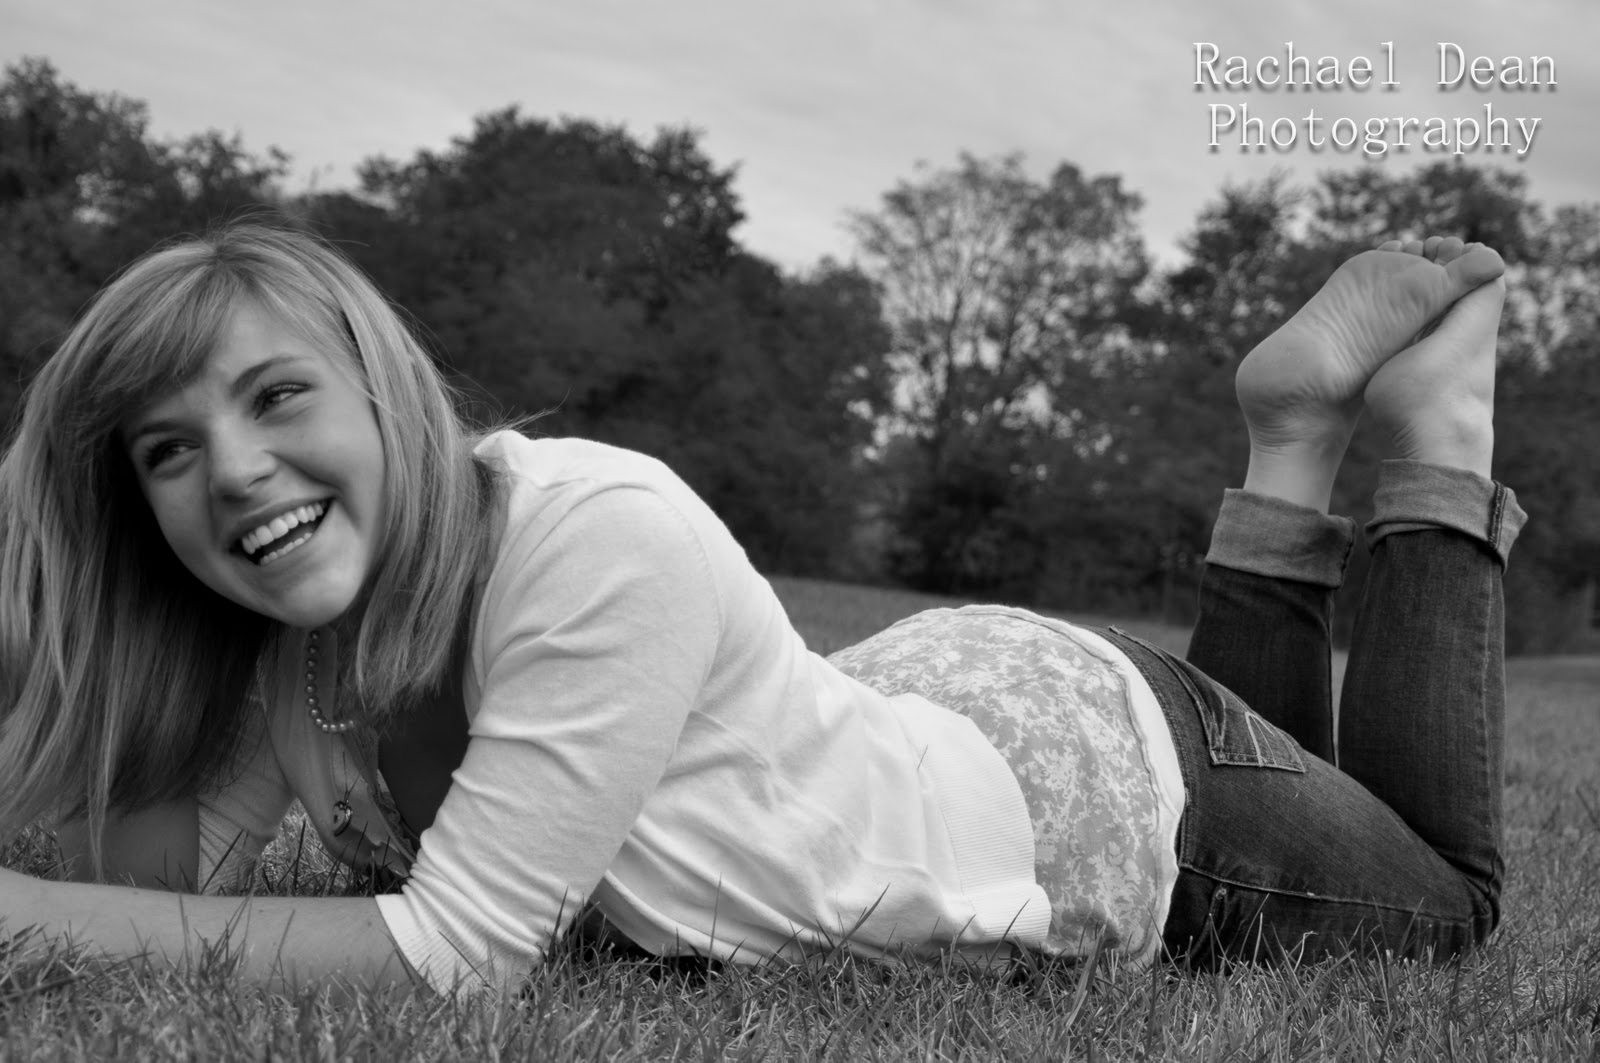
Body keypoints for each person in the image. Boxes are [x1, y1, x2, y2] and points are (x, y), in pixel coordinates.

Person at [0, 225, 1519, 994]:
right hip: (934, 705)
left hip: (1096, 789)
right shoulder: (291, 646)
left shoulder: (589, 532)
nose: (235, 469)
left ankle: (1438, 434)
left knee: (1445, 906)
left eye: (278, 396)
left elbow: (455, 960)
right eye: (166, 454)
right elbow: (165, 885)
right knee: (1283, 768)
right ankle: (1293, 440)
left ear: (384, 386)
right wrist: (76, 602)